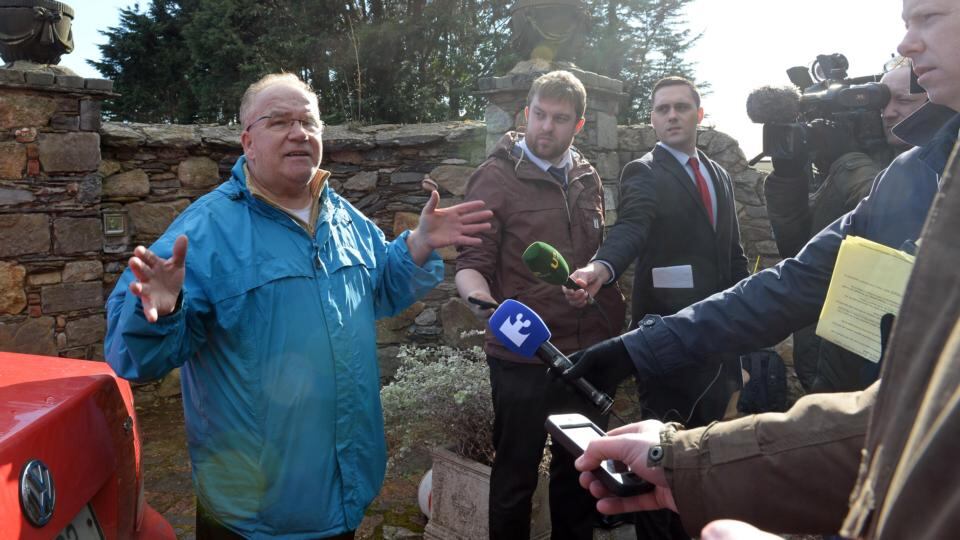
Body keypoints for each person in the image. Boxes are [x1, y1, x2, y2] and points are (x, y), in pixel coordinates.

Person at [571, 0, 960, 537]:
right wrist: (635, 347)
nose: (909, 43)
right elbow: (796, 277)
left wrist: (684, 457)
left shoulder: (719, 173)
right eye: (905, 24)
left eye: (930, 17)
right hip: (701, 340)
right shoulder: (914, 170)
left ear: (699, 113)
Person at [104, 73, 492, 539]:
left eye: (308, 121)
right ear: (247, 141)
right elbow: (134, 357)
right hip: (255, 511)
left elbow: (382, 287)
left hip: (344, 492)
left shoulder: (344, 217)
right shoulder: (203, 232)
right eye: (279, 121)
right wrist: (164, 312)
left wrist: (419, 245)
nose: (298, 132)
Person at [454, 70, 627, 540]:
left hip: (588, 351)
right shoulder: (493, 178)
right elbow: (470, 264)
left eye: (560, 119)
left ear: (579, 125)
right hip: (523, 356)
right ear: (526, 113)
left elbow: (595, 256)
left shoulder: (587, 177)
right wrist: (489, 308)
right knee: (515, 479)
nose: (546, 127)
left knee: (580, 478)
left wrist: (589, 283)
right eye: (540, 115)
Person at [565, 77, 747, 428]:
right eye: (663, 109)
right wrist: (600, 268)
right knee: (666, 445)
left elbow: (734, 255)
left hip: (720, 336)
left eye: (682, 107)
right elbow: (632, 227)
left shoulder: (720, 175)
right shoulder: (644, 172)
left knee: (714, 442)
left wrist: (749, 323)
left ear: (699, 114)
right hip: (668, 336)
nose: (672, 116)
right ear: (652, 119)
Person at [763, 59, 927, 393]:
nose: (889, 112)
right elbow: (796, 244)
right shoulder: (856, 163)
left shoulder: (925, 170)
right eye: (883, 101)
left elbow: (898, 222)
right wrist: (788, 175)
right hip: (826, 354)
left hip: (891, 371)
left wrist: (848, 160)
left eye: (904, 101)